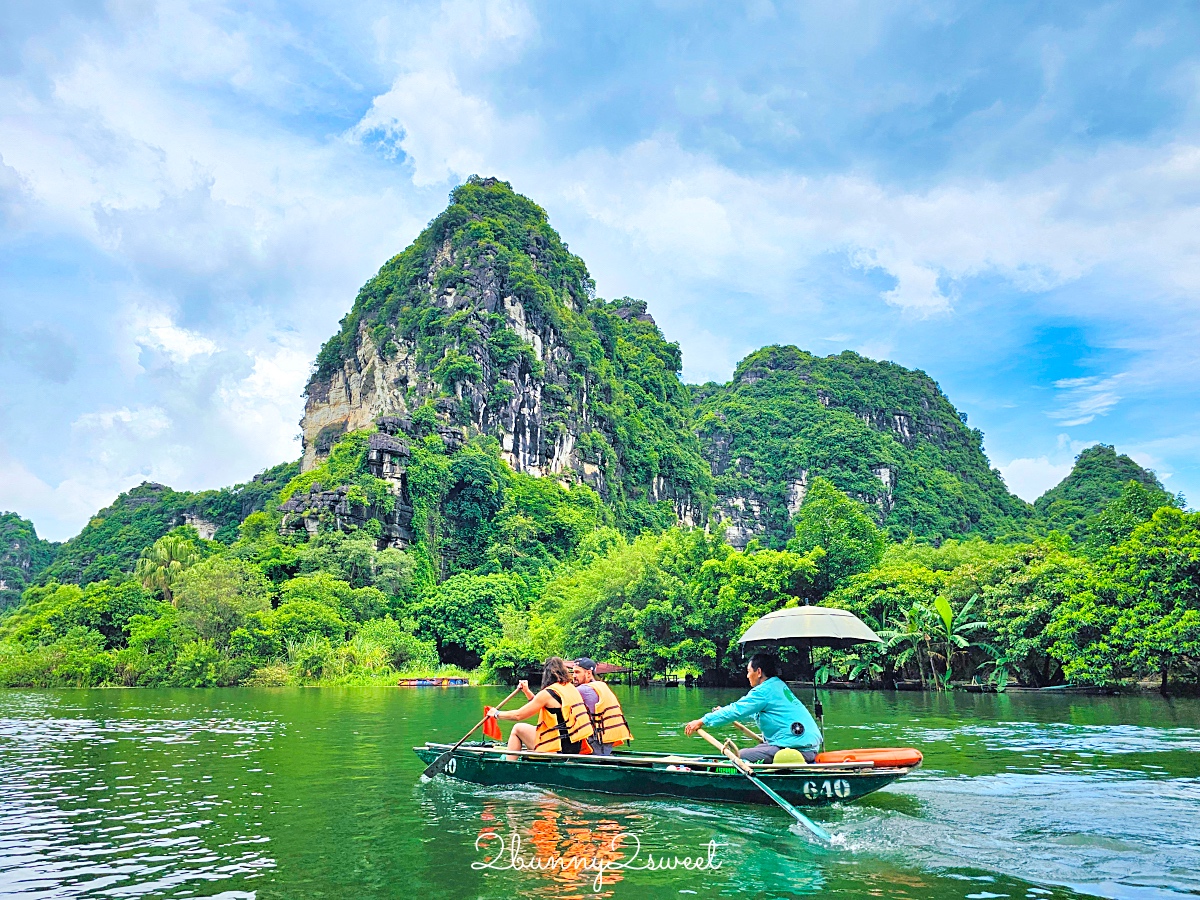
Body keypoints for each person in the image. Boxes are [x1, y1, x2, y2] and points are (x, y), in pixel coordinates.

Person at [683, 653, 821, 763]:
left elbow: (736, 710)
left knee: (740, 755)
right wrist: (722, 711)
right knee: (756, 750)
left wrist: (702, 721)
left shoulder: (764, 691)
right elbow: (757, 711)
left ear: (759, 672)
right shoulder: (778, 685)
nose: (747, 676)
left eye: (749, 671)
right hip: (809, 747)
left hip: (797, 750)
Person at [488, 657, 594, 760]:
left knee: (517, 728)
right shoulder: (570, 688)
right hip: (575, 746)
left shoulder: (547, 693)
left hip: (559, 748)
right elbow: (538, 704)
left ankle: (508, 765)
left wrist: (497, 713)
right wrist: (526, 691)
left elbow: (518, 715)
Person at [571, 657, 633, 756]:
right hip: (605, 743)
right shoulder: (602, 686)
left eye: (577, 672)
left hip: (595, 745)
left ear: (588, 673)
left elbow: (556, 700)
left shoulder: (583, 690)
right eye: (573, 672)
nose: (573, 676)